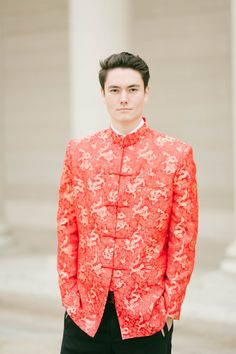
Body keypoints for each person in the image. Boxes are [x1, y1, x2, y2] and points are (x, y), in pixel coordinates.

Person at [57, 51, 198, 354]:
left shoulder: (176, 155)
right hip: (84, 316)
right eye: (115, 90)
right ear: (103, 94)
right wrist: (69, 295)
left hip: (147, 318)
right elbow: (67, 228)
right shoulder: (79, 152)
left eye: (133, 89)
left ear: (146, 93)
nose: (124, 98)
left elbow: (183, 238)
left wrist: (169, 308)